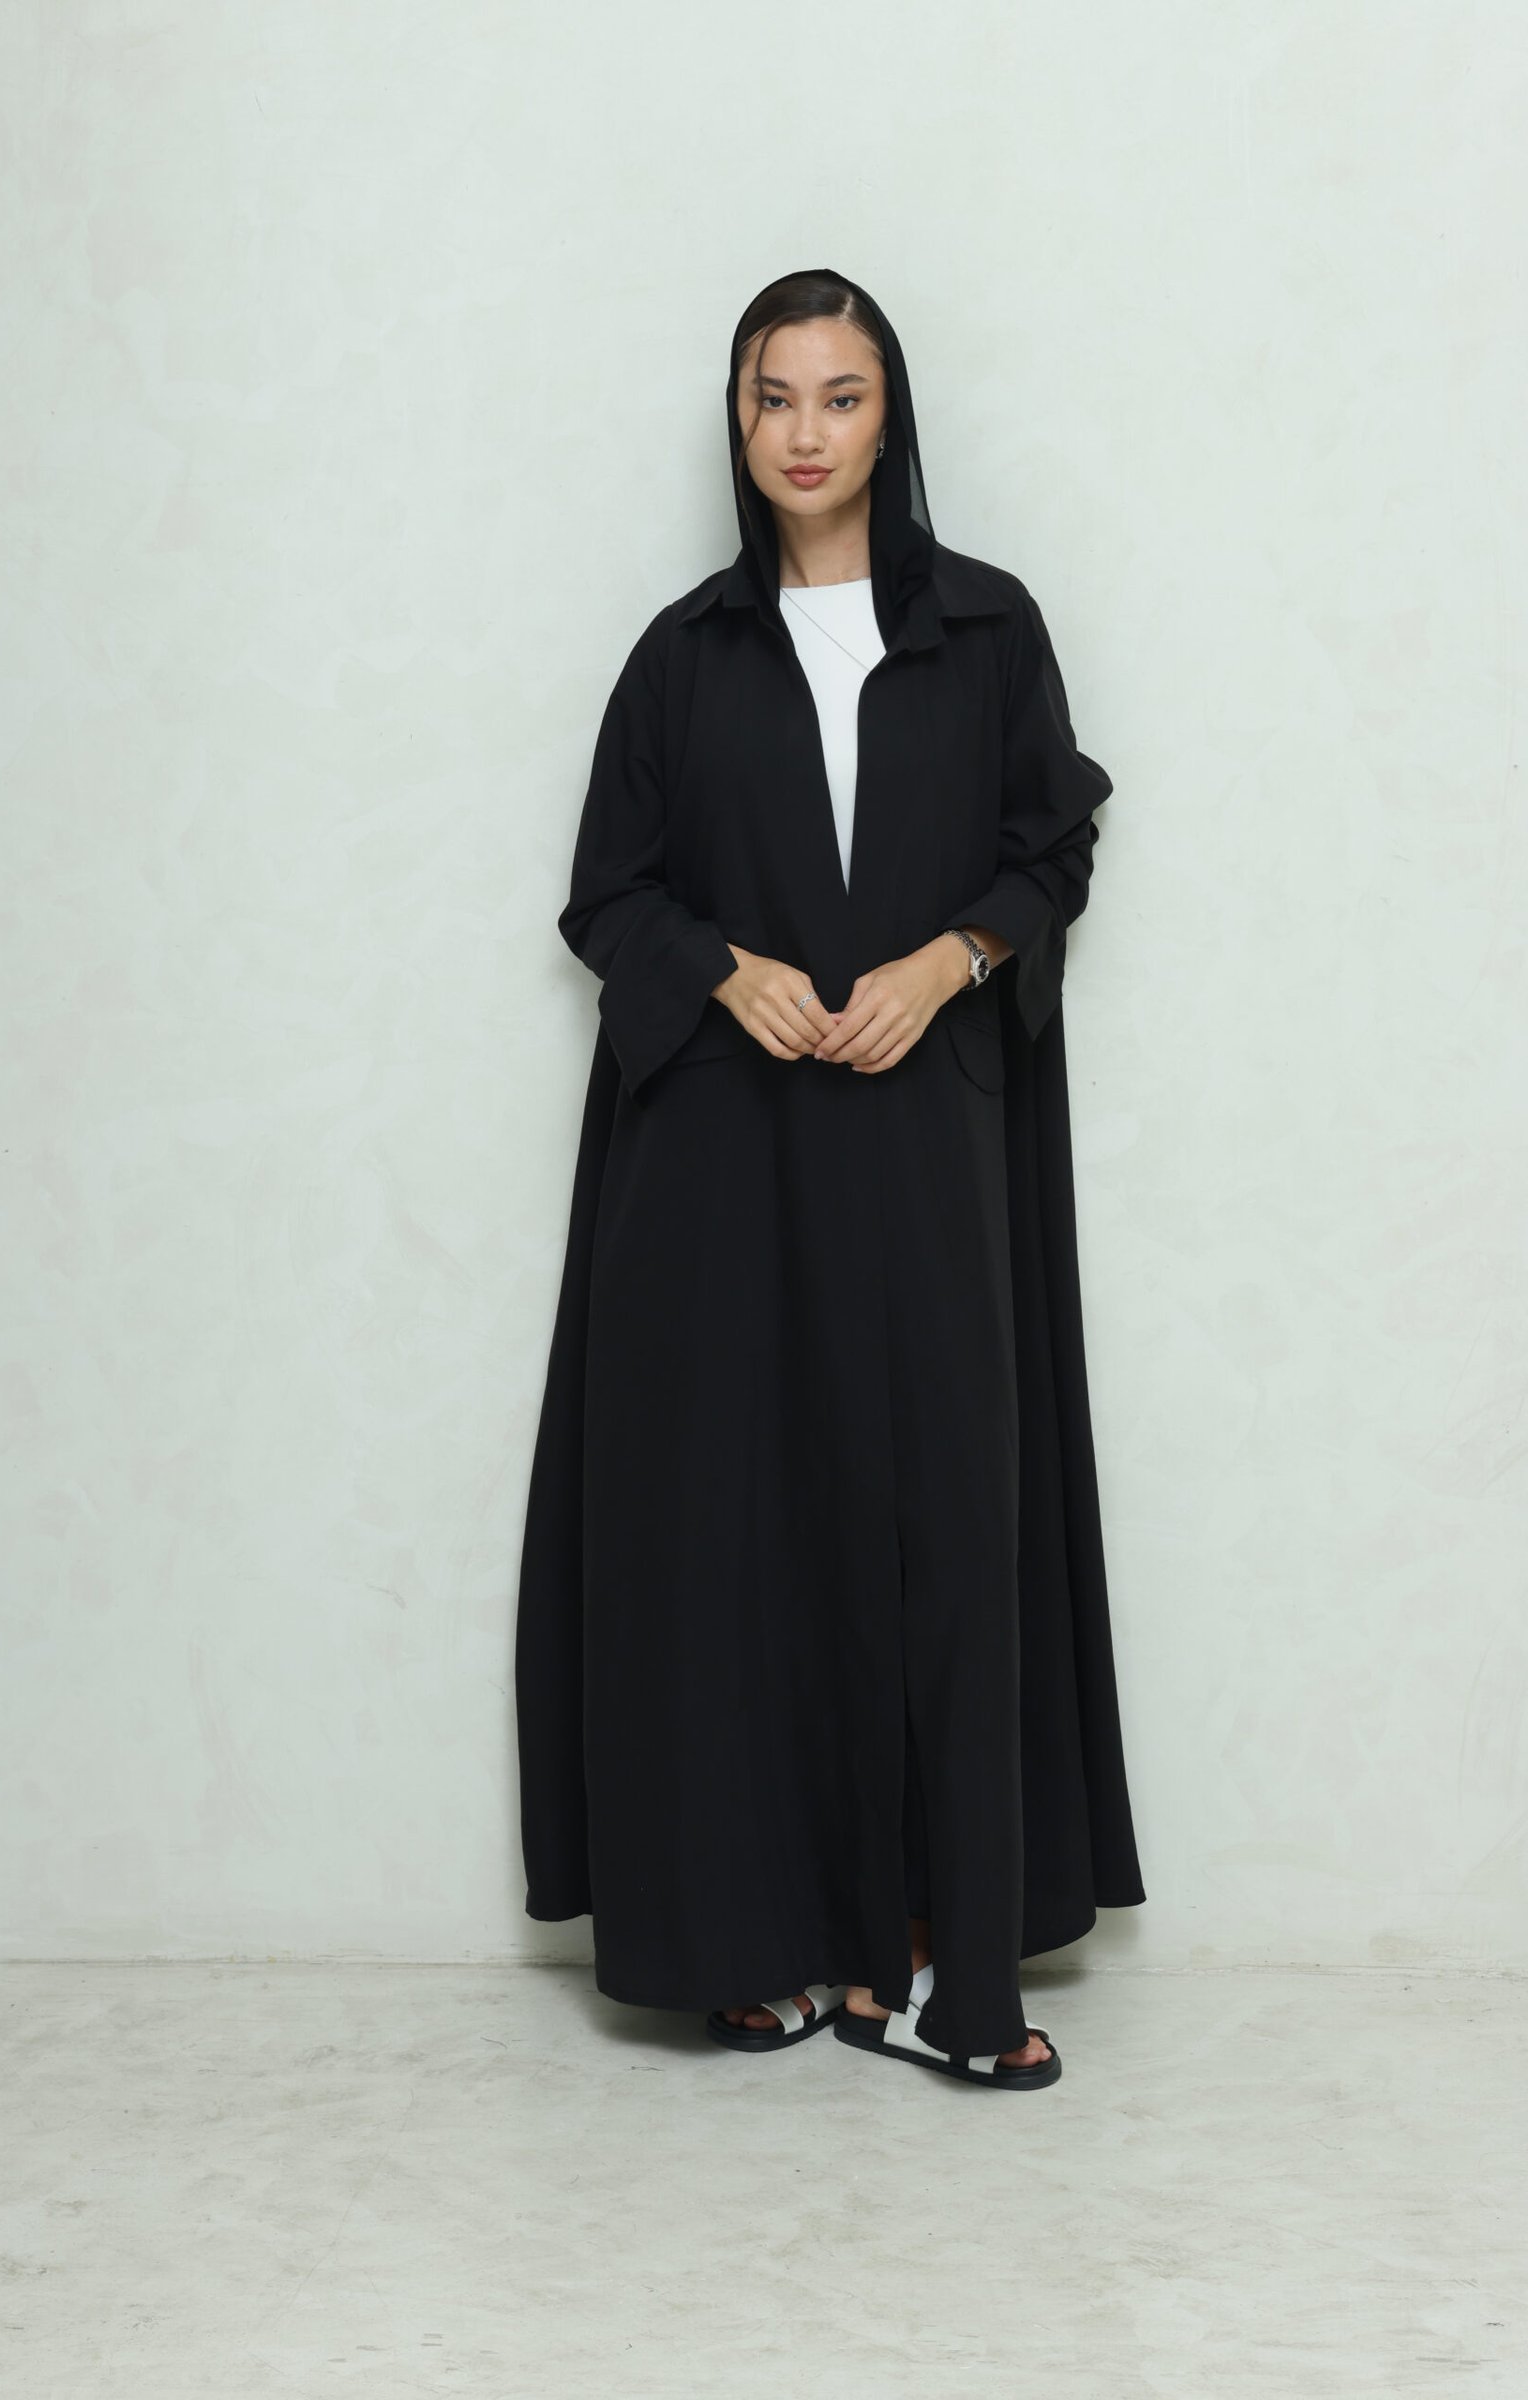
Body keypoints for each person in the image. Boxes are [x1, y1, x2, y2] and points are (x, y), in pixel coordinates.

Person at [514, 267, 1145, 2092]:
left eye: (840, 396)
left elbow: (1052, 848)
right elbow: (607, 894)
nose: (805, 433)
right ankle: (752, 1946)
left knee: (947, 1520)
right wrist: (728, 971)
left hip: (929, 1139)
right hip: (723, 1159)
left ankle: (942, 1969)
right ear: (737, 419)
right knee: (737, 1531)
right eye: (773, 397)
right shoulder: (683, 656)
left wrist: (949, 962)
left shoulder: (989, 629)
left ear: (890, 415)